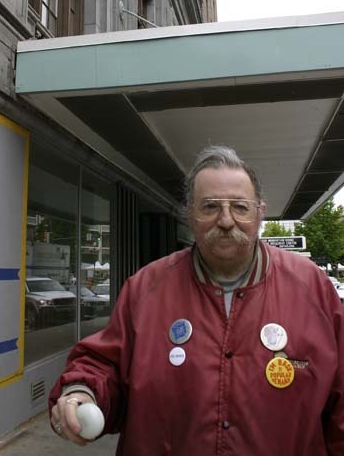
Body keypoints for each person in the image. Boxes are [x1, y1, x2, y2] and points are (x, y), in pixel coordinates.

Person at [49, 146, 344, 455]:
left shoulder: (313, 288)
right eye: (210, 207)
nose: (226, 220)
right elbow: (106, 364)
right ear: (190, 214)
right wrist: (82, 391)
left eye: (240, 207)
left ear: (260, 213)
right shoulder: (146, 288)